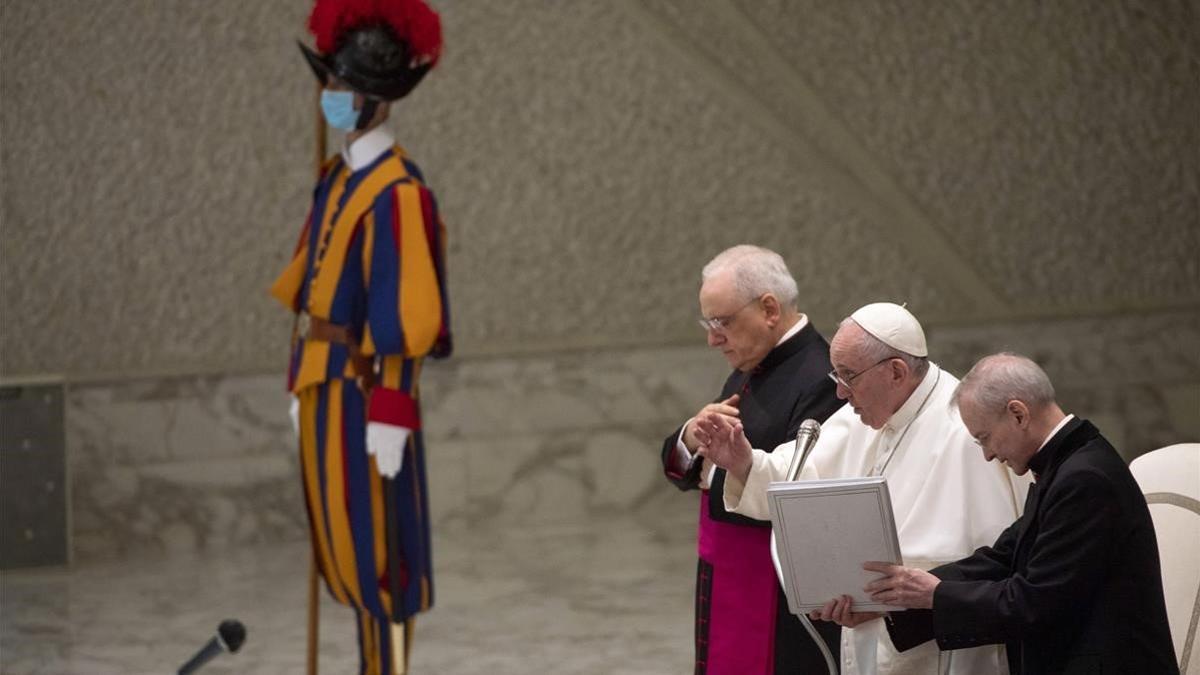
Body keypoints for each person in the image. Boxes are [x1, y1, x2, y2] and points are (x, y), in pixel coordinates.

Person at [696, 302, 1028, 674]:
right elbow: (799, 474)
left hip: (941, 650)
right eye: (836, 376)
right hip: (869, 639)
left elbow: (993, 557)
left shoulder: (962, 429)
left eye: (848, 376)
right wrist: (743, 461)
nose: (839, 393)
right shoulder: (863, 417)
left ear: (896, 372)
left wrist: (881, 599)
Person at [269, 1, 451, 672]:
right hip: (323, 383)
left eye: (343, 87)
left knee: (381, 557)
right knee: (341, 549)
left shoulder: (397, 191)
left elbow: (401, 314)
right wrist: (300, 378)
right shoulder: (338, 178)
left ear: (375, 99)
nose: (331, 97)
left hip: (366, 392)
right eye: (330, 83)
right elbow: (315, 291)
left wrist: (393, 410)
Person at [814, 353, 1179, 675]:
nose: (987, 455)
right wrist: (897, 596)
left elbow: (1034, 602)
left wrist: (935, 596)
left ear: (1018, 414)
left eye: (985, 438)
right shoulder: (1068, 464)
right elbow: (1003, 557)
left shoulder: (1084, 478)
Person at [660, 245, 844, 674]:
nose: (711, 338)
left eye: (722, 322)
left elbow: (801, 489)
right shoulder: (752, 362)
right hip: (727, 568)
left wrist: (718, 467)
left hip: (773, 582)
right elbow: (692, 459)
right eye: (708, 323)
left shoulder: (820, 378)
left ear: (768, 309)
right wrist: (692, 435)